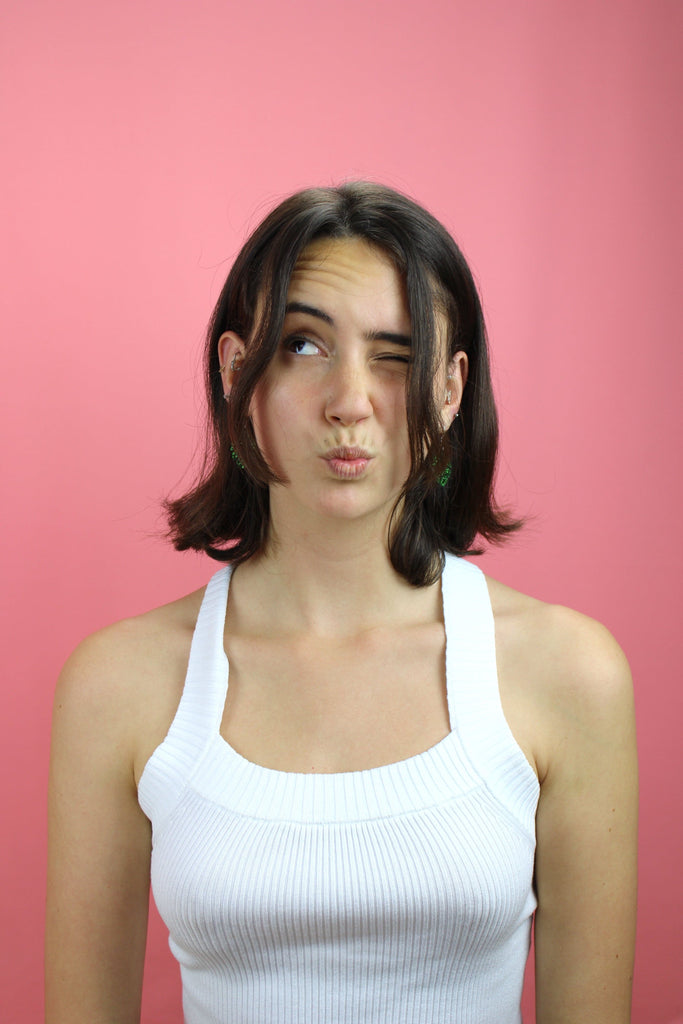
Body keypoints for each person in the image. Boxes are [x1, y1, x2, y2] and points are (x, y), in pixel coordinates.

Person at [46, 182, 638, 1024]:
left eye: (394, 355)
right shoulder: (120, 684)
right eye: (303, 346)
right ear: (235, 372)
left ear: (449, 388)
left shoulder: (568, 675)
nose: (349, 402)